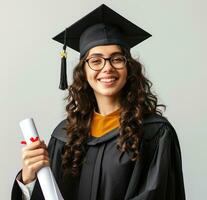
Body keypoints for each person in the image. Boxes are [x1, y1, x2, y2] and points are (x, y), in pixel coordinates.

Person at [11, 4, 185, 200]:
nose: (107, 68)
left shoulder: (155, 134)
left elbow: (157, 194)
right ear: (83, 72)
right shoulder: (65, 136)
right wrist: (28, 178)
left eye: (117, 59)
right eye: (96, 60)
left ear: (129, 68)